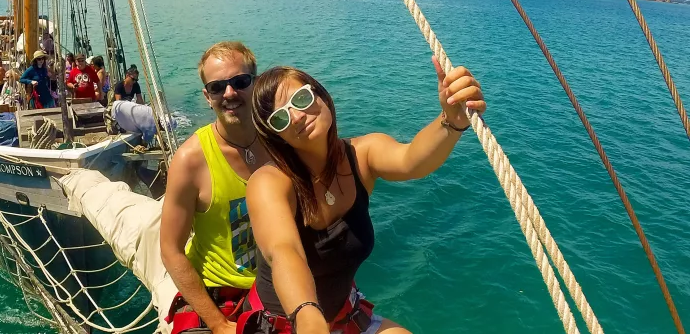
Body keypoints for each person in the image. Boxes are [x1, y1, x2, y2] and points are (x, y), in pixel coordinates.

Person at [243, 58, 487, 334]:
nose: (297, 116)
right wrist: (307, 315)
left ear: (319, 94)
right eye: (280, 118)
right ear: (278, 137)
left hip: (346, 314)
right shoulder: (268, 182)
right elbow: (283, 251)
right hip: (283, 325)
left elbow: (411, 160)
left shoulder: (362, 155)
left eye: (300, 99)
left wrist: (452, 122)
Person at [160, 42, 272, 334]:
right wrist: (219, 325)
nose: (230, 93)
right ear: (207, 97)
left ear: (256, 84)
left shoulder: (280, 142)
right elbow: (171, 249)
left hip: (277, 287)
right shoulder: (191, 161)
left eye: (240, 82)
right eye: (217, 87)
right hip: (219, 294)